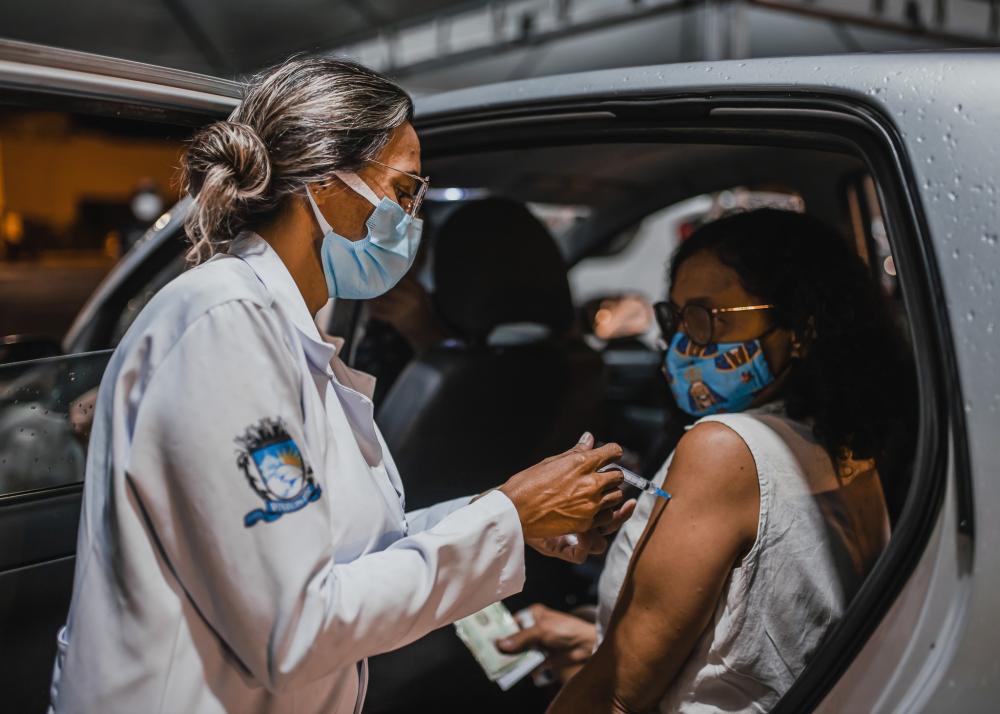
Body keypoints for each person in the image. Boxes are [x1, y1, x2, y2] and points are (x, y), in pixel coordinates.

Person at [47, 57, 633, 714]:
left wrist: (512, 519)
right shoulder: (224, 324)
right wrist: (508, 518)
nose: (411, 218)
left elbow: (345, 553)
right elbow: (296, 630)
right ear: (324, 184)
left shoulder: (281, 331)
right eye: (405, 190)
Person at [499, 208, 915, 713]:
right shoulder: (846, 448)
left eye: (705, 319)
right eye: (675, 318)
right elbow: (752, 636)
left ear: (800, 329)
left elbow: (614, 698)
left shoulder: (724, 448)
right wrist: (595, 638)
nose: (680, 345)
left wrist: (603, 664)